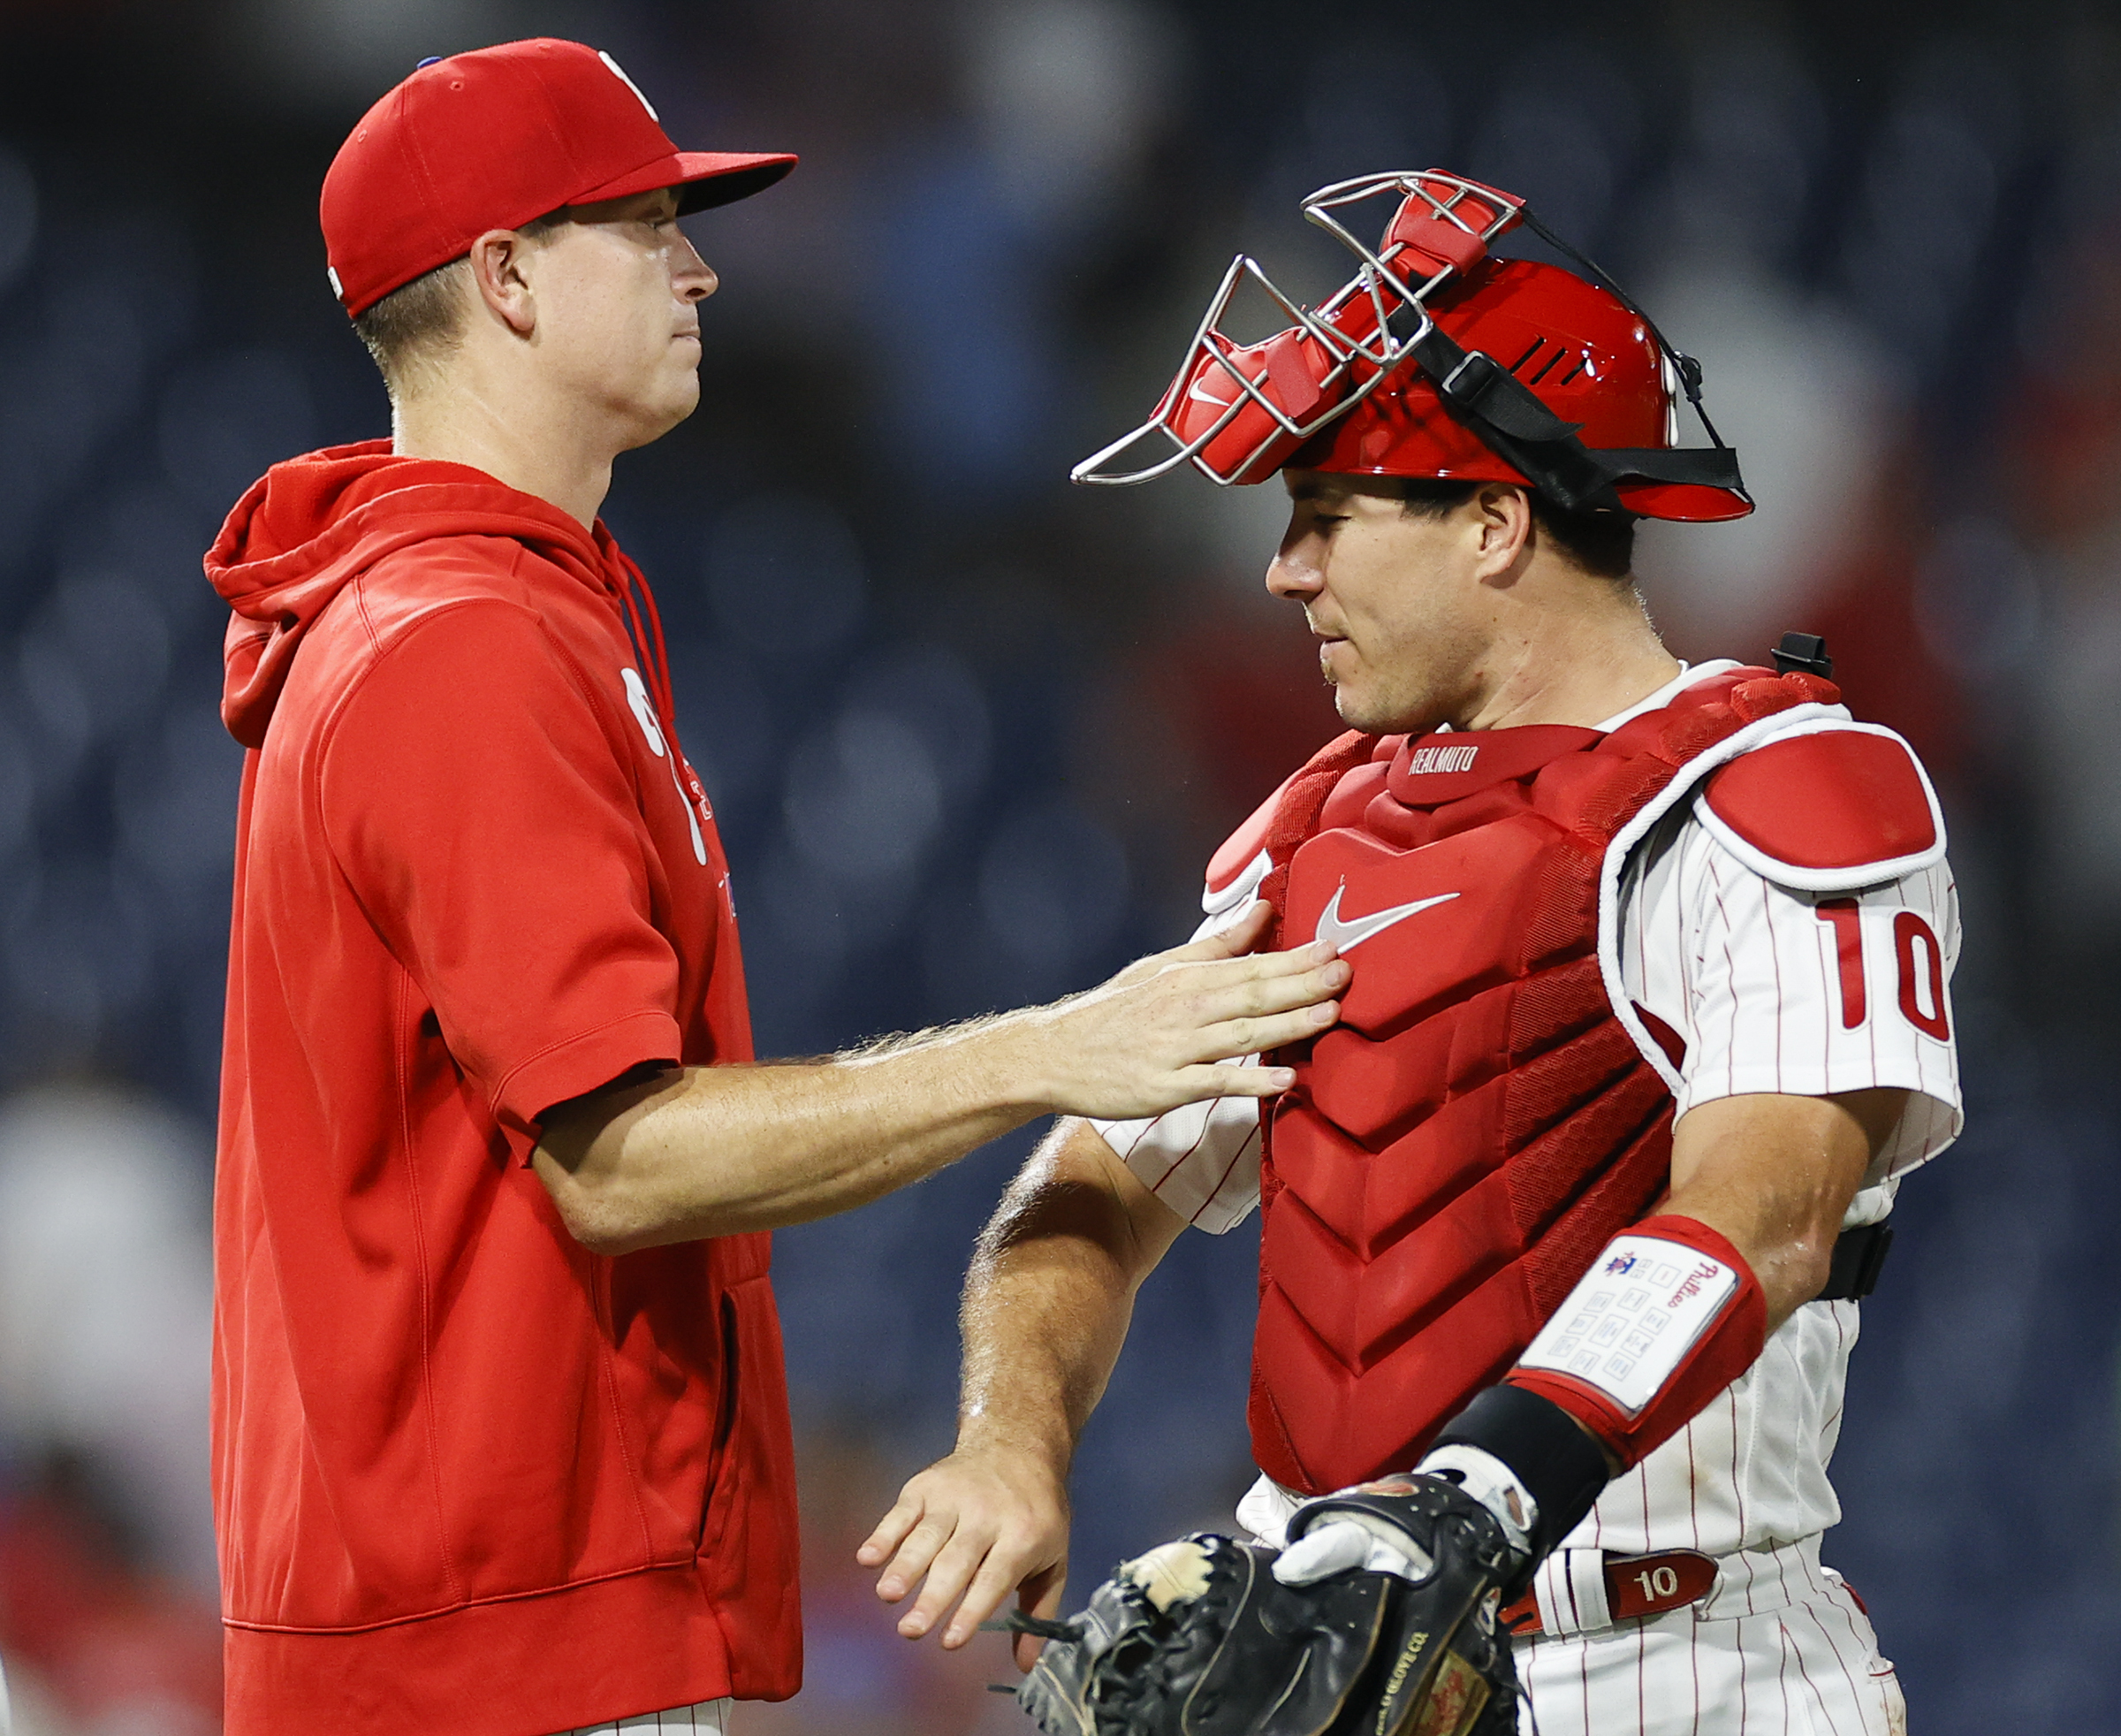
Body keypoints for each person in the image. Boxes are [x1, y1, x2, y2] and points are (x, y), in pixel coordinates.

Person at [203, 40, 1348, 1736]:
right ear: (506, 279)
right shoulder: (457, 642)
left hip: (484, 1615)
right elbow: (616, 1156)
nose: (700, 264)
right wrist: (1055, 1047)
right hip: (487, 1640)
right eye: (643, 225)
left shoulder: (503, 603)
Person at [863, 171, 1958, 1734]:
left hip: (1681, 1660)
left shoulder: (1781, 793)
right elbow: (1097, 1172)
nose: (1282, 571)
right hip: (1349, 1656)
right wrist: (1013, 1442)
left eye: (1326, 518)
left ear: (1497, 523)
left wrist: (1467, 1503)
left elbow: (1768, 1208)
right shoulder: (1317, 839)